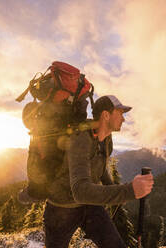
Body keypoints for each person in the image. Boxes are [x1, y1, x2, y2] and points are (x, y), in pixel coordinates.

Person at [43, 95, 154, 248]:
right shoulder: (80, 139)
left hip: (89, 205)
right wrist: (129, 190)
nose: (124, 119)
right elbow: (80, 191)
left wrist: (114, 191)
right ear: (106, 115)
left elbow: (99, 170)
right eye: (120, 113)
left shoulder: (106, 140)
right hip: (61, 209)